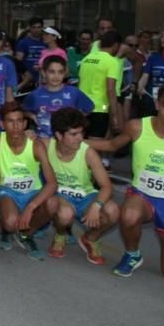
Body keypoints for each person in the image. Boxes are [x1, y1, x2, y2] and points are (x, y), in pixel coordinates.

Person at [87, 85, 164, 279]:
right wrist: (76, 141)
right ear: (157, 104)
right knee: (130, 214)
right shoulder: (137, 127)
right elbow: (111, 145)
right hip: (142, 196)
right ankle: (132, 254)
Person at [0, 102, 56, 259]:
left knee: (53, 203)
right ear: (2, 124)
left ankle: (26, 234)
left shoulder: (36, 145)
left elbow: (52, 183)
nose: (16, 126)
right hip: (8, 193)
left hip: (32, 193)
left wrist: (31, 207)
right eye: (10, 121)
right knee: (11, 222)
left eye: (19, 121)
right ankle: (7, 229)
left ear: (25, 124)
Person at [41, 107, 119, 263]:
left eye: (81, 133)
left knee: (113, 211)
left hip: (85, 196)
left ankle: (90, 238)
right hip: (60, 195)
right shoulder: (44, 145)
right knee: (65, 214)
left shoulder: (88, 152)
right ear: (58, 135)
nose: (79, 138)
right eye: (73, 134)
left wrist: (96, 206)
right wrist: (28, 135)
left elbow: (106, 186)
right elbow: (20, 142)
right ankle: (61, 234)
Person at [22, 55, 94, 138]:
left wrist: (75, 121)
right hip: (43, 142)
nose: (56, 76)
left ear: (64, 73)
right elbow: (24, 111)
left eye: (60, 72)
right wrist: (32, 116)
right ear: (44, 72)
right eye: (52, 72)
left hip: (66, 144)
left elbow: (89, 107)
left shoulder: (74, 92)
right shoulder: (34, 95)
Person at [78, 29, 123, 142]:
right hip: (99, 108)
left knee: (80, 142)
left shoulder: (86, 59)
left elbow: (80, 81)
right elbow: (110, 88)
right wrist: (114, 115)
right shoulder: (112, 62)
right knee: (95, 144)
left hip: (81, 107)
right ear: (116, 45)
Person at [15, 16, 46, 83]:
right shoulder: (23, 42)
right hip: (27, 79)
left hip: (44, 78)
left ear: (42, 28)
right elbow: (18, 61)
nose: (36, 30)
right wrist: (25, 73)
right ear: (30, 28)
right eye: (34, 27)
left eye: (39, 27)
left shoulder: (46, 41)